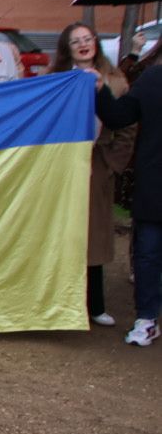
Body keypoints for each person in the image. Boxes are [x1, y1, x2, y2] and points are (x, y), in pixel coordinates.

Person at [55, 23, 133, 328]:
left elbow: (127, 126)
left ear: (96, 44)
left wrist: (113, 162)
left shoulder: (115, 79)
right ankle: (62, 299)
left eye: (88, 39)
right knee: (63, 229)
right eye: (76, 41)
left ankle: (95, 303)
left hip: (96, 163)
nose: (83, 44)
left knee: (93, 233)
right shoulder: (57, 79)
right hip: (62, 163)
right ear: (67, 48)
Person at [96, 58, 162, 346]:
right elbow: (119, 116)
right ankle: (146, 319)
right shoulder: (152, 79)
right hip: (155, 183)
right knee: (147, 255)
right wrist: (99, 90)